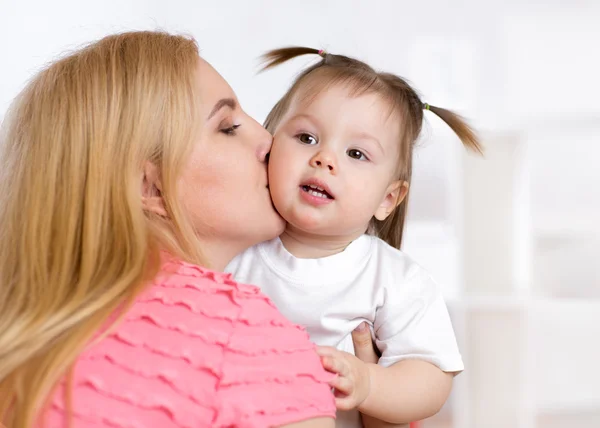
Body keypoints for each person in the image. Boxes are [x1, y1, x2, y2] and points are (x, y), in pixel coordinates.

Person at [0, 33, 336, 428]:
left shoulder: (21, 339)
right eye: (228, 127)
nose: (269, 141)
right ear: (151, 187)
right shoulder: (241, 337)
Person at [226, 47, 483, 428]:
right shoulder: (235, 251)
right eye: (307, 137)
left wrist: (370, 384)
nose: (325, 158)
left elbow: (431, 378)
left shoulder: (392, 278)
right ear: (269, 145)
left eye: (356, 153)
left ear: (387, 198)